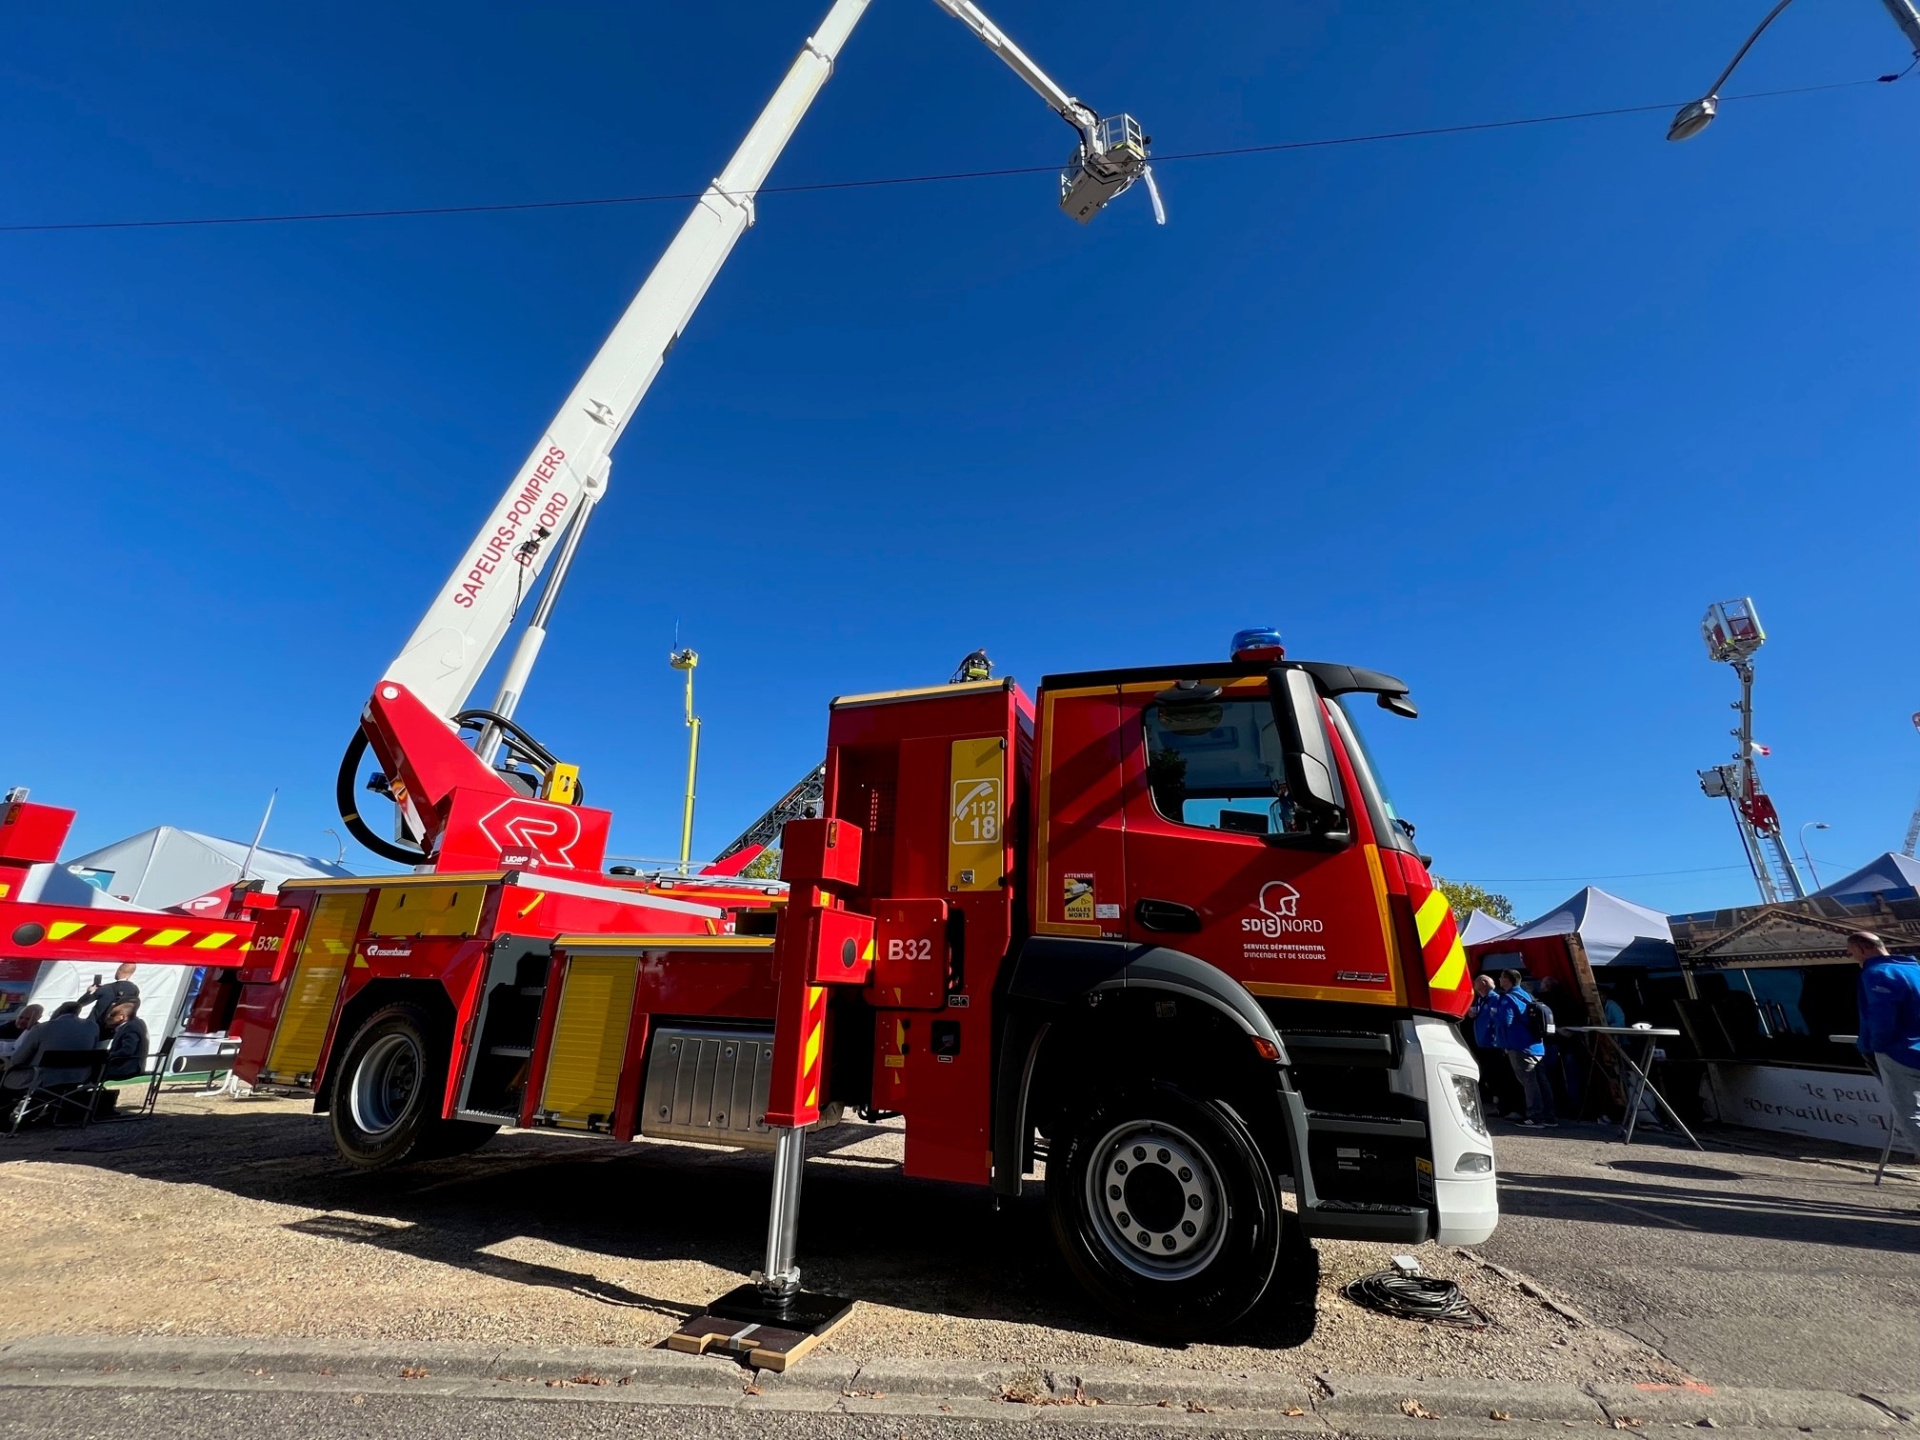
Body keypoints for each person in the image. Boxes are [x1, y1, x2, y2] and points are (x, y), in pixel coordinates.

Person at [1851, 931, 1920, 1161]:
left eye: (1852, 953)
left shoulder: (1876, 973)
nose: (1854, 958)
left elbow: (1882, 1018)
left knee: (1910, 1115)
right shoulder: (1915, 968)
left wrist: (1875, 1047)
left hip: (1900, 1053)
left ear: (1862, 949)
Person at [1487, 970, 1556, 1127]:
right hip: (1537, 1045)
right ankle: (1549, 1116)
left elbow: (1505, 1021)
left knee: (1529, 1082)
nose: (1499, 979)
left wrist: (1494, 1014)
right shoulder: (1527, 995)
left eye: (1501, 977)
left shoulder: (1508, 998)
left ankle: (1535, 1116)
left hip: (1519, 1046)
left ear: (1507, 980)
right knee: (1541, 1081)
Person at [0, 1008, 105, 1094]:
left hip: (40, 1080)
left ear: (56, 1013)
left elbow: (17, 1060)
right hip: (78, 1078)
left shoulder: (42, 1028)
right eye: (21, 1017)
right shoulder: (93, 1028)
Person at [83, 964, 140, 1035]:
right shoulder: (135, 990)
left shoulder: (107, 988)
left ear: (119, 971)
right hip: (115, 1030)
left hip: (95, 1028)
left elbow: (80, 1004)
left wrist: (89, 992)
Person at [102, 1001, 149, 1083]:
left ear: (121, 1017)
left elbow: (128, 1050)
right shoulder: (138, 1023)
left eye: (112, 1016)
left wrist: (108, 1056)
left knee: (89, 1071)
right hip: (132, 1065)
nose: (108, 1019)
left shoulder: (130, 1028)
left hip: (126, 1068)